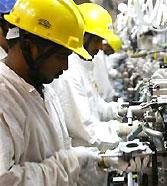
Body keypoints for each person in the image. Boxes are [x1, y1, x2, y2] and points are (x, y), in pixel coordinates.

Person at [0, 0, 134, 185]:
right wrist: (70, 163)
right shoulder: (5, 98)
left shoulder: (43, 87)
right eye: (61, 56)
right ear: (30, 46)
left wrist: (94, 161)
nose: (65, 66)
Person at [51, 3, 126, 150]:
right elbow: (88, 133)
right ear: (82, 36)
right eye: (97, 40)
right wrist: (124, 132)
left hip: (95, 161)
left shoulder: (82, 66)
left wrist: (124, 111)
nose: (100, 47)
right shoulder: (69, 73)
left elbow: (98, 107)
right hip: (84, 166)